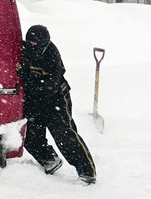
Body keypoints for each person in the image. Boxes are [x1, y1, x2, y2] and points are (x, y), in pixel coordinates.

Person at [17, 25, 97, 185]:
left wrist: (25, 76)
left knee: (64, 135)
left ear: (45, 43)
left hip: (56, 98)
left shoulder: (52, 56)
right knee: (30, 137)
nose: (33, 47)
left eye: (36, 44)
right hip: (35, 99)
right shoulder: (23, 50)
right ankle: (50, 161)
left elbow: (47, 87)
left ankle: (87, 172)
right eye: (30, 43)